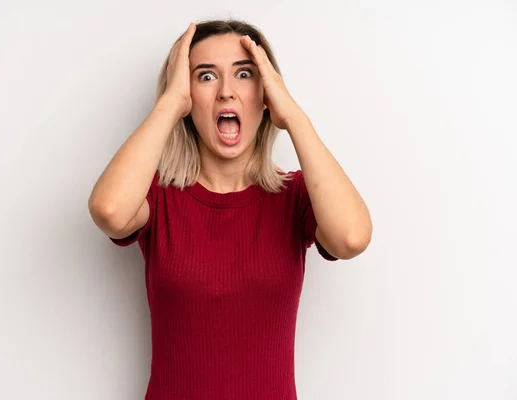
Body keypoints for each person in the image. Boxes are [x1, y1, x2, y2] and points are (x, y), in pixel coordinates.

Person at [88, 19, 372, 400]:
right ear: (188, 95)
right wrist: (170, 103)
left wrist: (293, 116)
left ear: (266, 92)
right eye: (205, 76)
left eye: (244, 74)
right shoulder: (158, 197)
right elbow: (109, 210)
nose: (226, 92)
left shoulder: (295, 196)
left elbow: (351, 238)